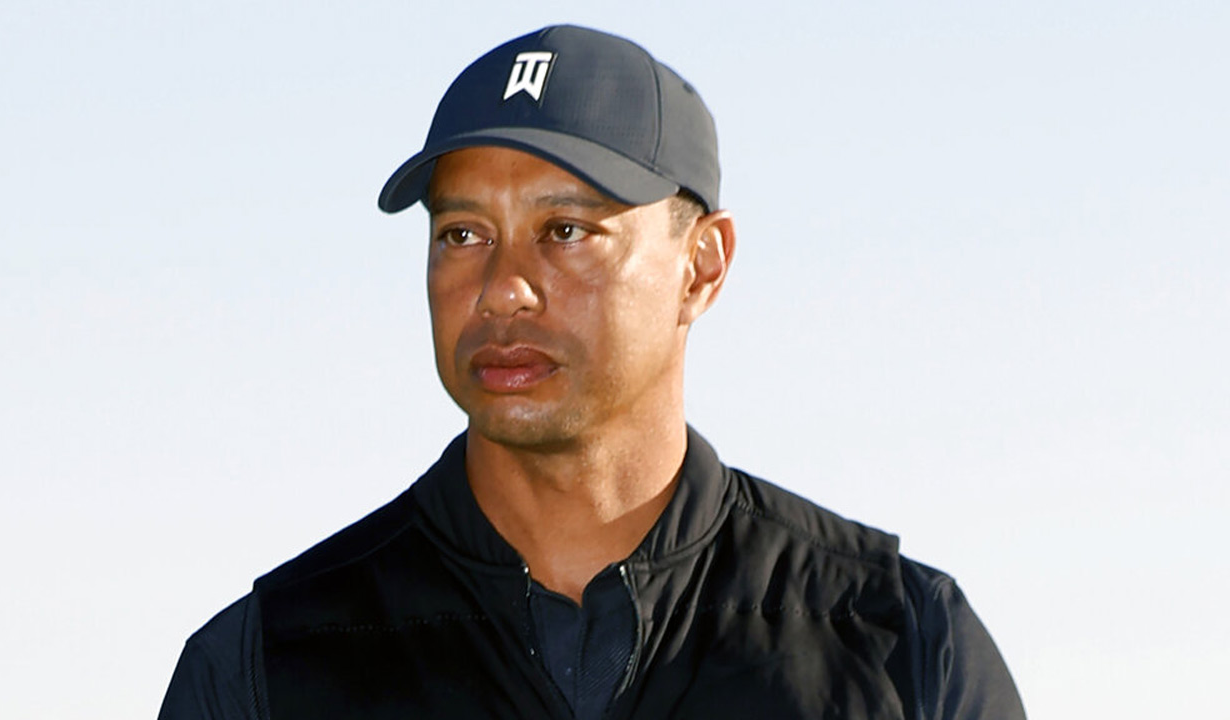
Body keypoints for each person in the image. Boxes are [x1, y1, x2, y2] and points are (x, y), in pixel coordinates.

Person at [159, 25, 1025, 720]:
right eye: (462, 234)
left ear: (703, 266)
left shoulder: (898, 647)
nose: (503, 289)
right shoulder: (263, 670)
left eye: (567, 230)